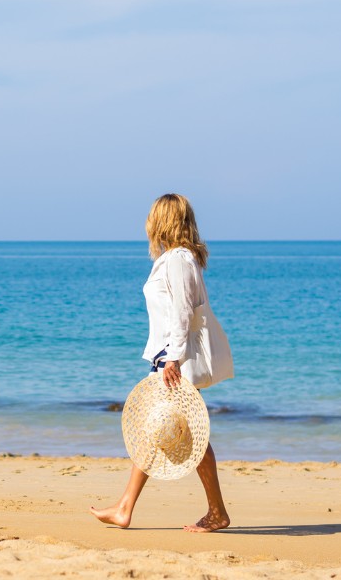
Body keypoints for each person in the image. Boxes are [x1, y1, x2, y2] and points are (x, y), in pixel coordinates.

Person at [90, 193, 231, 533]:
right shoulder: (175, 258)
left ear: (163, 221)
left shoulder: (179, 260)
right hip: (167, 356)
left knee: (179, 433)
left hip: (172, 360)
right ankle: (127, 507)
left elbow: (183, 311)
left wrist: (173, 359)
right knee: (164, 431)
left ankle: (215, 512)